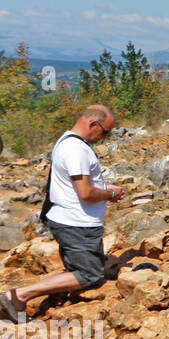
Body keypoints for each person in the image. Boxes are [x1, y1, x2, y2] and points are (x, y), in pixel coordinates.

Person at [0, 106, 124, 322]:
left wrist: (103, 186)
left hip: (72, 221)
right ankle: (17, 296)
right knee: (90, 274)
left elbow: (77, 183)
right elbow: (85, 192)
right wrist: (110, 194)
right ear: (93, 124)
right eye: (105, 132)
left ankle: (54, 295)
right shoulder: (76, 149)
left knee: (81, 271)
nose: (103, 138)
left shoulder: (67, 141)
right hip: (77, 224)